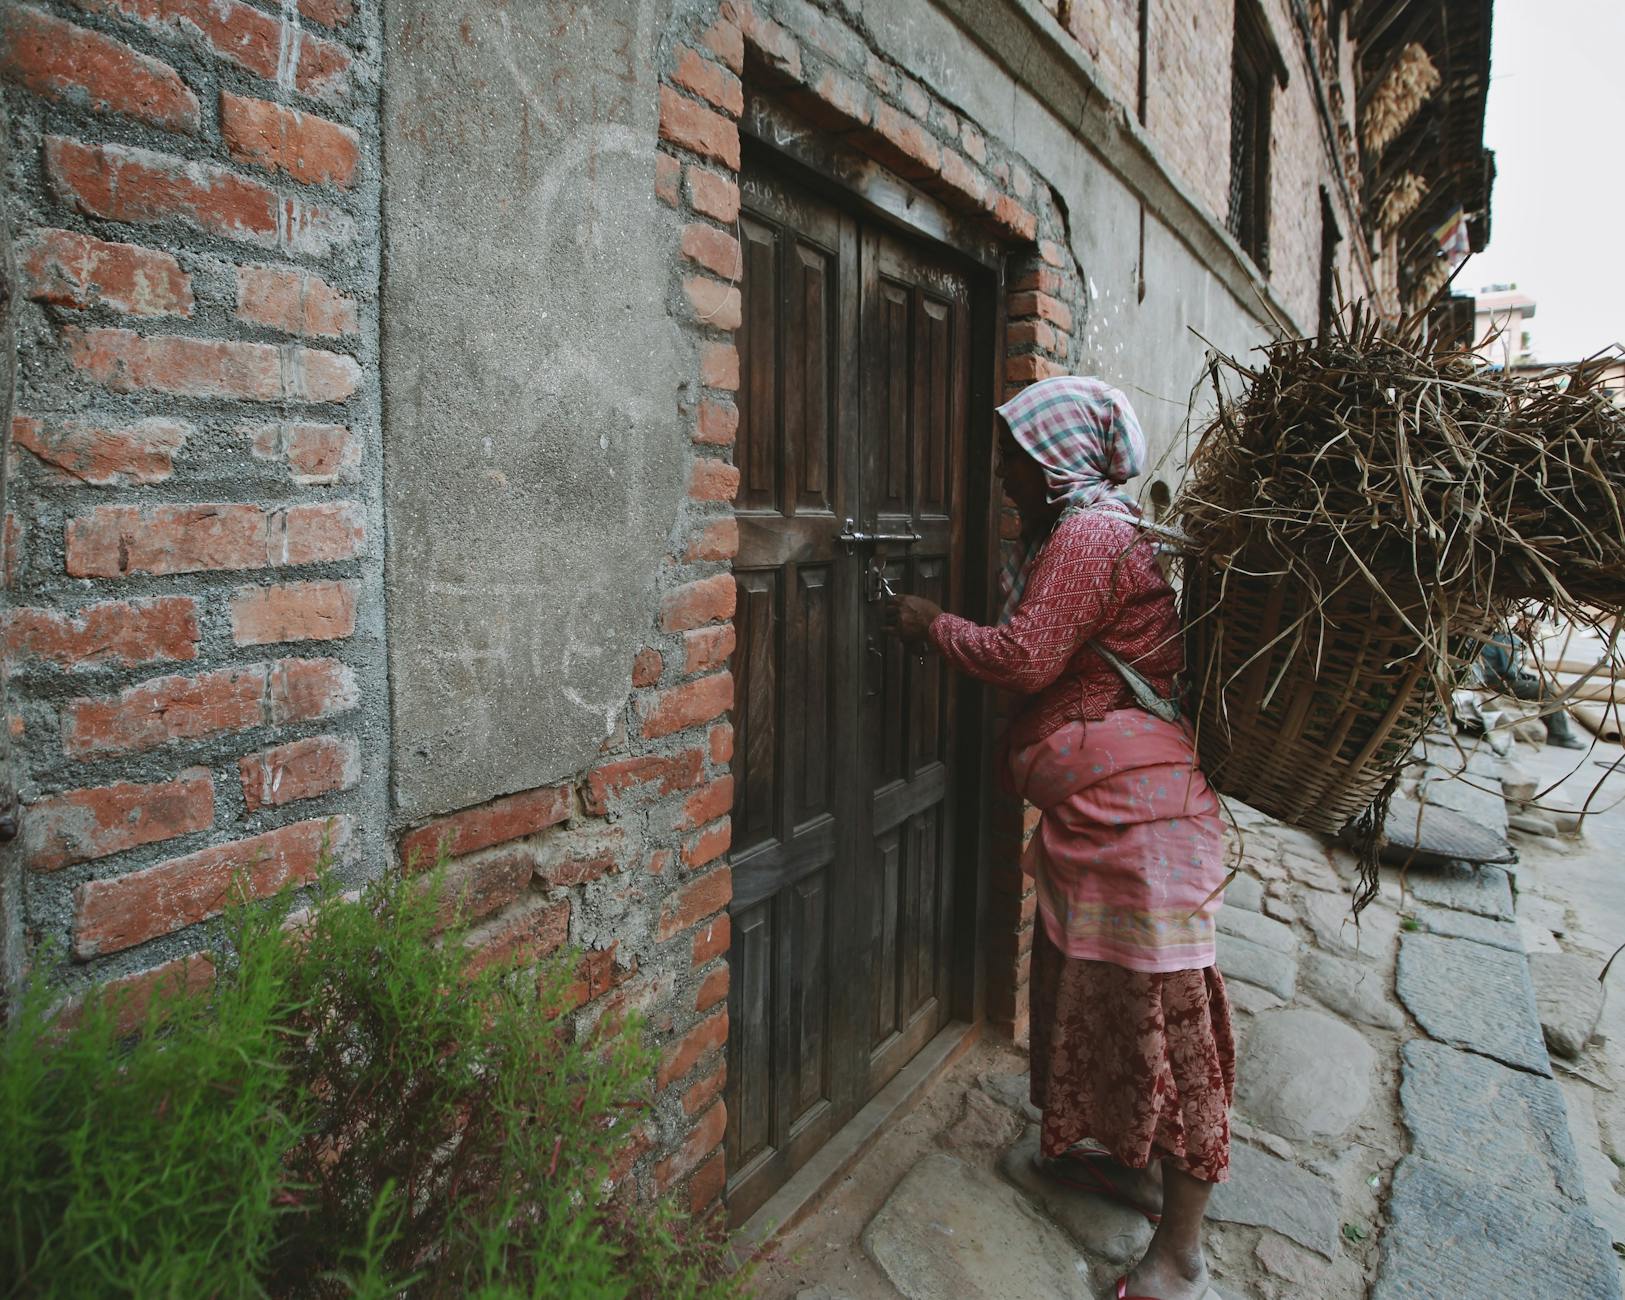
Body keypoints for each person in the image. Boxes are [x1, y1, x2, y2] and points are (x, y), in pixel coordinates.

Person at [887, 376, 1233, 1300]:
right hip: (1112, 821)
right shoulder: (1089, 530)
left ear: (1057, 458)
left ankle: (1179, 1259)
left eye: (1013, 454)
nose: (1002, 473)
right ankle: (1125, 1163)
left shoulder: (1087, 534)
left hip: (1143, 834)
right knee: (1106, 1003)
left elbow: (1026, 658)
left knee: (1170, 1026)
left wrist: (930, 626)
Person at [1477, 625, 1585, 750]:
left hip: (1496, 679)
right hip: (1496, 682)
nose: (1536, 631)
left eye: (1538, 629)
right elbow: (1510, 672)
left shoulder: (1508, 638)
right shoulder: (1507, 640)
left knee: (1542, 686)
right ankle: (1558, 734)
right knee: (1546, 689)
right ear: (1521, 625)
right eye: (1534, 627)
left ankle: (1557, 729)